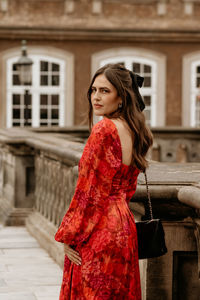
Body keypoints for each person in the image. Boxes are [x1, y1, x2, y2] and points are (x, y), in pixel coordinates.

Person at [55, 63, 153, 299]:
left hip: (99, 230)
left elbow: (89, 193)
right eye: (93, 90)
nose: (95, 97)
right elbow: (124, 188)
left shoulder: (104, 130)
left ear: (122, 96)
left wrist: (70, 235)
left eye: (104, 91)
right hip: (124, 226)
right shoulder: (132, 129)